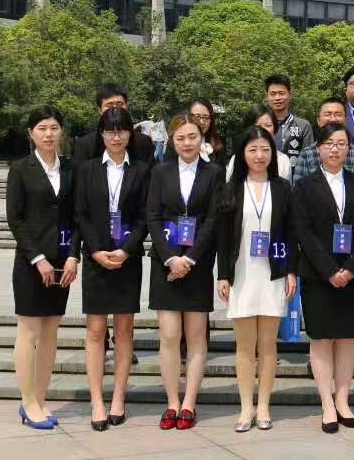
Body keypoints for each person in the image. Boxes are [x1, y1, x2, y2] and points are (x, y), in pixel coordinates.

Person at [291, 123, 354, 434]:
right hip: (318, 275)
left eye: (341, 143)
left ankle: (343, 400)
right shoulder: (305, 186)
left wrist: (350, 268)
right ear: (318, 149)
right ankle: (326, 403)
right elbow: (303, 232)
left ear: (349, 149)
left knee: (347, 337)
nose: (335, 148)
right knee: (322, 338)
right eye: (329, 143)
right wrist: (329, 270)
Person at [73, 106, 150, 431]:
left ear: (130, 134)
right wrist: (95, 250)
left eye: (121, 131)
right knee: (94, 331)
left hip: (127, 259)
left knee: (124, 331)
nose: (116, 137)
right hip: (96, 260)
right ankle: (97, 401)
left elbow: (145, 217)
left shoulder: (142, 170)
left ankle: (118, 397)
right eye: (109, 131)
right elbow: (80, 214)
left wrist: (125, 249)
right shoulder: (87, 169)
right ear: (101, 134)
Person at [216, 127, 297, 432]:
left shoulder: (283, 188)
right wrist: (223, 275)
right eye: (253, 150)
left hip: (273, 273)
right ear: (242, 154)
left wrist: (291, 270)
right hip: (242, 274)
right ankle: (245, 407)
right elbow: (223, 237)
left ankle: (263, 406)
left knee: (268, 345)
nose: (259, 156)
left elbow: (291, 233)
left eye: (265, 149)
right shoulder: (232, 188)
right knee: (244, 346)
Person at [146, 114, 223, 431]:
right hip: (165, 262)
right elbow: (152, 216)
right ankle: (172, 402)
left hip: (198, 263)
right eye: (180, 138)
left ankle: (189, 403)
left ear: (201, 138)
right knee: (168, 335)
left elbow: (213, 220)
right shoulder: (160, 172)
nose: (187, 143)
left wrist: (189, 259)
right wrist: (170, 259)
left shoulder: (214, 173)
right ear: (172, 141)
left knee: (195, 337)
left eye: (192, 136)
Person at [6, 106, 78, 430]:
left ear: (61, 131)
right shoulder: (20, 169)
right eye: (41, 128)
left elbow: (76, 217)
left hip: (62, 263)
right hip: (31, 263)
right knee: (30, 330)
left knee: (50, 331)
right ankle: (27, 402)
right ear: (31, 133)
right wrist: (38, 258)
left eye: (53, 128)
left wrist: (73, 256)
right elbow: (15, 219)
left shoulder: (72, 169)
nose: (48, 134)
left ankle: (41, 398)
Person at [291, 98, 354, 189]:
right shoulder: (307, 154)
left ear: (345, 119)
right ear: (318, 120)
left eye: (338, 114)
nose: (333, 119)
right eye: (328, 114)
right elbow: (298, 191)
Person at [70, 84, 156, 165]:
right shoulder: (85, 145)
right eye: (109, 105)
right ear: (99, 110)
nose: (115, 109)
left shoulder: (143, 142)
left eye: (120, 104)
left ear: (127, 106)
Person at [226, 105, 292, 182]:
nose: (263, 129)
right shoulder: (237, 159)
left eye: (268, 125)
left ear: (275, 129)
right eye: (257, 126)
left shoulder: (283, 160)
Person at [264, 74, 314, 159]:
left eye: (281, 93)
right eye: (273, 94)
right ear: (266, 96)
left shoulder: (303, 126)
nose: (277, 98)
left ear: (290, 94)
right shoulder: (259, 124)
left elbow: (309, 159)